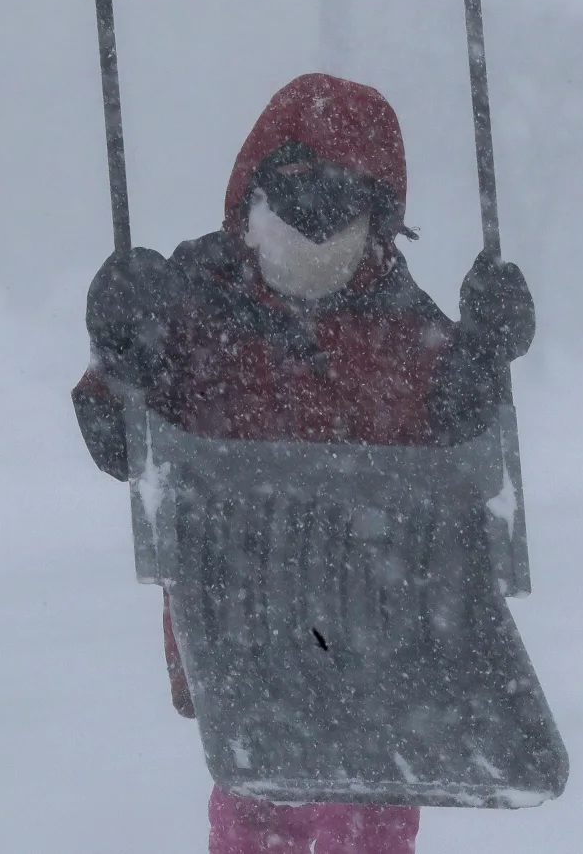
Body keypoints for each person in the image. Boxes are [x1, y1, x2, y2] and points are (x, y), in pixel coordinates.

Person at [71, 73, 534, 854]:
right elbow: (124, 445)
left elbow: (453, 445)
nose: (314, 231)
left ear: (378, 224)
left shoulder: (398, 324)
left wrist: (483, 355)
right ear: (250, 200)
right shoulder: (191, 303)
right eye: (293, 199)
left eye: (340, 208)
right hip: (241, 613)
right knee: (266, 796)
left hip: (382, 612)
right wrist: (120, 348)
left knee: (366, 801)